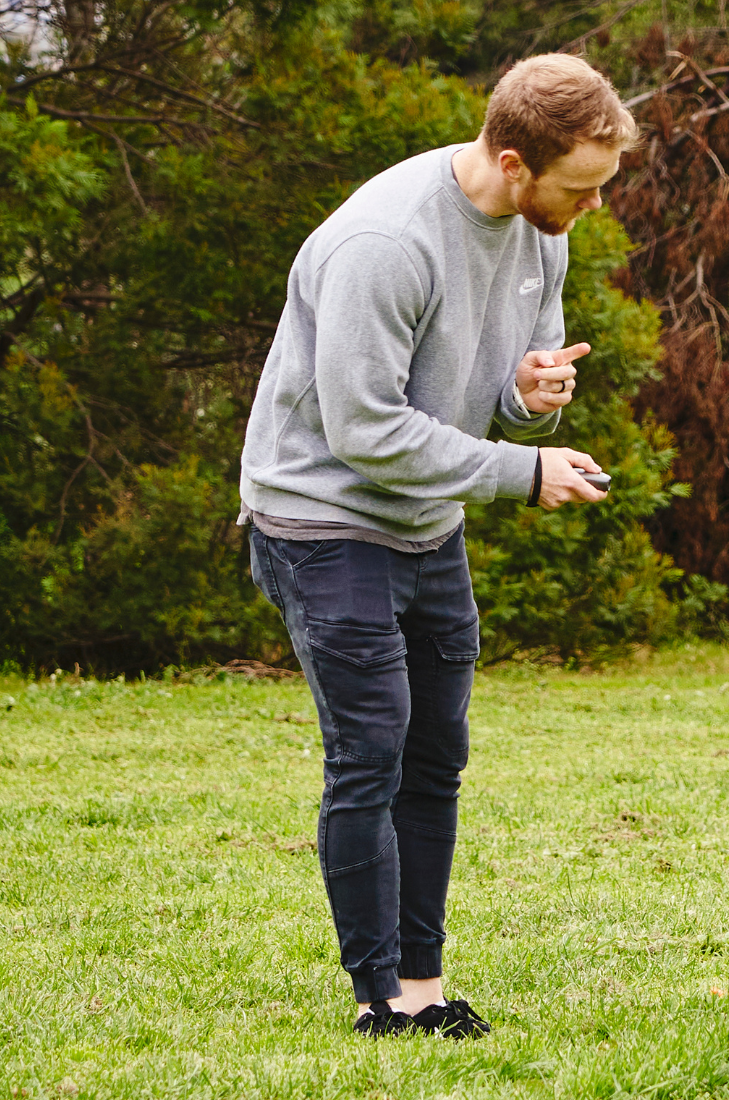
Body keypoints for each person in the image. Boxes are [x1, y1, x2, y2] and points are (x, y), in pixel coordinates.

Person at [238, 53, 637, 1037]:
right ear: (511, 160)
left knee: (434, 756)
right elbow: (365, 429)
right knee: (369, 753)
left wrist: (523, 399)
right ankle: (376, 997)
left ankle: (423, 987)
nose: (588, 211)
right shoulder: (384, 241)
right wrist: (521, 470)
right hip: (322, 515)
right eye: (578, 191)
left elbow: (485, 393)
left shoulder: (541, 233)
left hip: (424, 521)